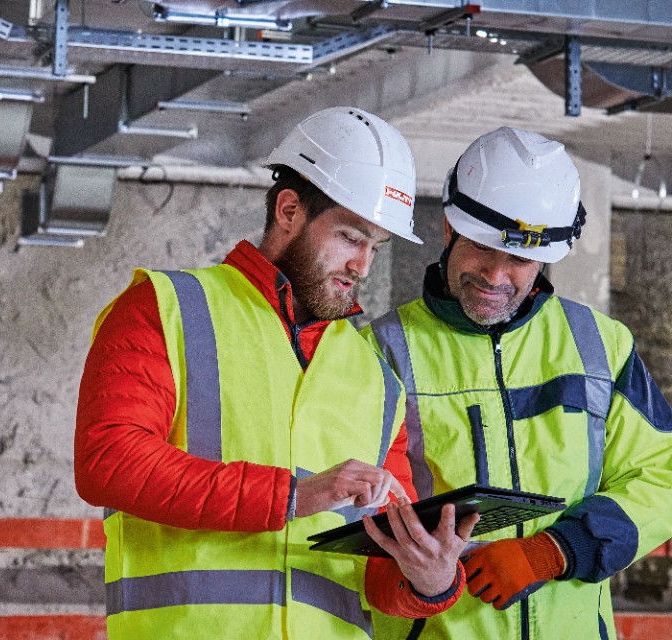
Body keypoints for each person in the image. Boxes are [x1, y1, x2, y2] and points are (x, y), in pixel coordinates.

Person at [75, 106, 479, 639]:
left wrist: (430, 578)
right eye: (351, 238)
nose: (363, 266)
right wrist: (295, 496)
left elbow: (380, 569)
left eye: (375, 247)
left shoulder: (376, 377)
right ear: (289, 211)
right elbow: (110, 461)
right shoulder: (165, 306)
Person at [364, 126, 672, 639]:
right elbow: (353, 516)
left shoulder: (602, 346)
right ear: (449, 229)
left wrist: (555, 550)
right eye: (481, 249)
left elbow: (662, 482)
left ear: (546, 257)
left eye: (518, 259)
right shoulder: (380, 352)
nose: (495, 275)